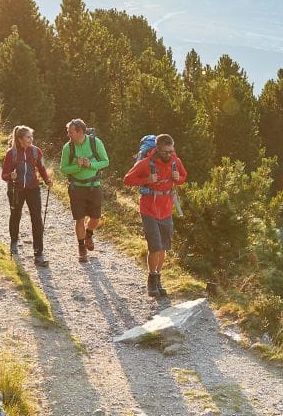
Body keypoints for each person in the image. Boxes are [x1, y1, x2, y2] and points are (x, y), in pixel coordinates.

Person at [121, 133, 187, 301]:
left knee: (163, 247)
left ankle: (158, 279)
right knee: (155, 246)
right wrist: (147, 179)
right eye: (165, 152)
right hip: (149, 208)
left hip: (166, 209)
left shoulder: (175, 162)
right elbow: (127, 180)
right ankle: (151, 279)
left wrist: (178, 179)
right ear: (157, 149)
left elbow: (183, 177)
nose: (168, 155)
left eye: (171, 151)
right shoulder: (145, 163)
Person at [1, 125, 54, 267]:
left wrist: (47, 179)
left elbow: (41, 168)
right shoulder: (11, 153)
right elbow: (4, 175)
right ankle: (14, 241)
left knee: (37, 218)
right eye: (28, 137)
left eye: (31, 137)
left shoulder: (36, 152)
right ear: (20, 139)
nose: (31, 139)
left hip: (33, 188)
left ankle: (39, 254)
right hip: (15, 189)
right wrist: (10, 176)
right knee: (15, 214)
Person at [59, 118, 109, 263]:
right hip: (76, 187)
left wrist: (91, 164)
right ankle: (81, 247)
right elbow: (63, 169)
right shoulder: (68, 147)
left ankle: (89, 234)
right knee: (79, 218)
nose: (69, 135)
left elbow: (105, 162)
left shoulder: (95, 143)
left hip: (94, 186)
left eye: (71, 132)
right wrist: (77, 166)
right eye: (68, 132)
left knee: (96, 218)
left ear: (80, 132)